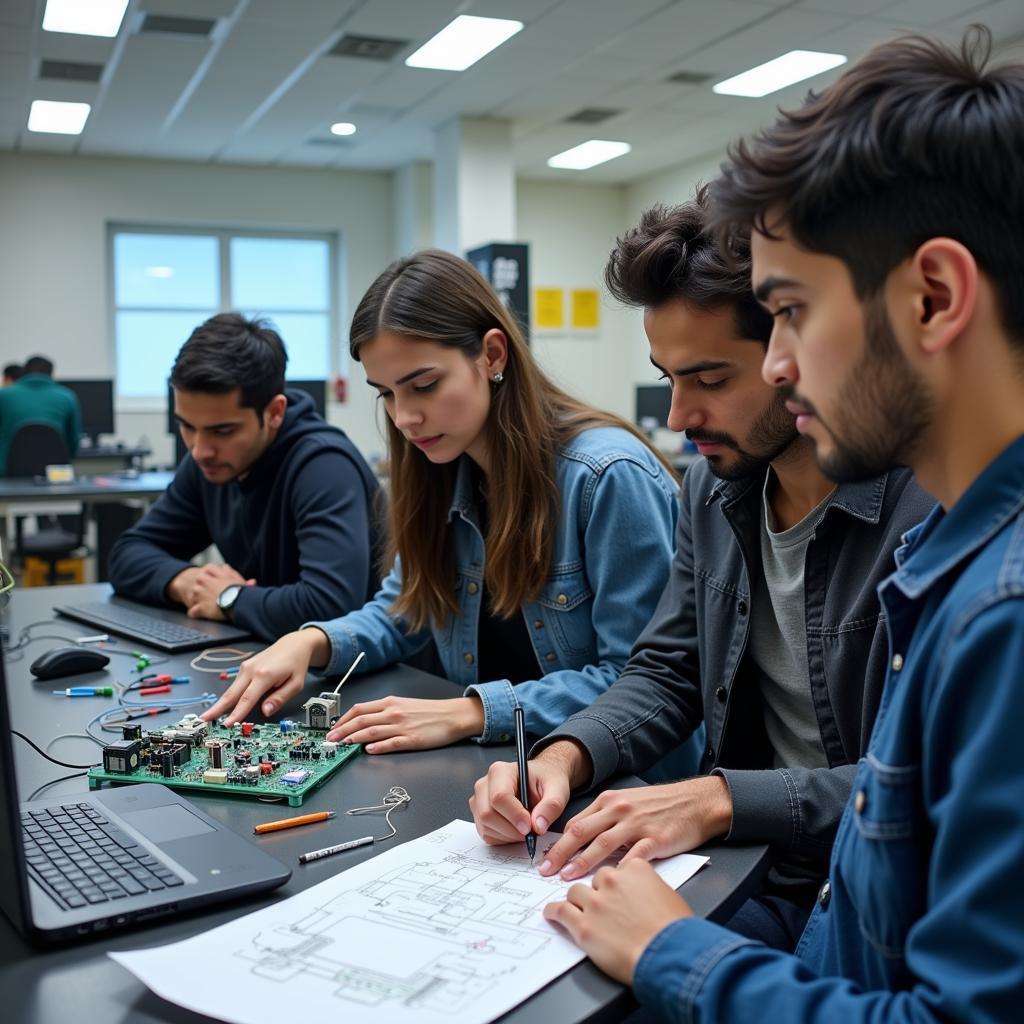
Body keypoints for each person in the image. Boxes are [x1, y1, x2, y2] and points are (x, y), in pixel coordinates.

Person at [537, 26, 1024, 1024]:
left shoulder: (997, 611)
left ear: (933, 296)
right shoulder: (949, 561)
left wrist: (677, 950)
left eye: (791, 311)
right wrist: (573, 748)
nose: (775, 366)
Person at [470, 190, 934, 950]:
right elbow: (668, 670)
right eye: (667, 375)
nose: (679, 414)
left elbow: (917, 783)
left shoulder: (926, 509)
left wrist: (720, 799)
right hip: (752, 864)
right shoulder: (712, 489)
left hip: (864, 889)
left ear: (796, 348)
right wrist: (565, 755)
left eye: (711, 380)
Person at [202, 250, 680, 754]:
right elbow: (408, 606)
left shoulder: (607, 476)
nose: (404, 417)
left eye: (423, 385)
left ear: (493, 355)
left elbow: (639, 685)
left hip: (620, 784)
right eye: (386, 393)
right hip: (501, 764)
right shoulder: (447, 469)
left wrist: (472, 711)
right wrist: (311, 642)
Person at [108, 313, 381, 641]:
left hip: (364, 678)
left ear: (275, 412)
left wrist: (229, 598)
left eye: (222, 430)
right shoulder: (210, 462)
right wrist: (191, 584)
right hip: (270, 657)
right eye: (187, 426)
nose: (199, 450)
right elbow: (127, 553)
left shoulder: (324, 466)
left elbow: (330, 606)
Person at [0, 355, 80, 474]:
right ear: (51, 374)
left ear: (25, 373)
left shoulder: (3, 395)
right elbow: (73, 442)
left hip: (9, 474)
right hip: (56, 474)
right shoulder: (67, 396)